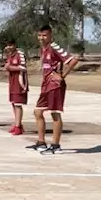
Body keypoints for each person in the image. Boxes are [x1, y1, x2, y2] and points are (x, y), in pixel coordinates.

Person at [33, 25, 79, 155]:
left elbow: (73, 60)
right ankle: (41, 142)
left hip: (55, 85)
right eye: (39, 35)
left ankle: (55, 145)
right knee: (37, 112)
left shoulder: (54, 47)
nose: (41, 38)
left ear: (50, 35)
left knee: (55, 114)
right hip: (46, 85)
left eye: (44, 35)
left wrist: (62, 75)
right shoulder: (44, 49)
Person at [4, 40, 29, 136]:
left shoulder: (20, 54)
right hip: (12, 82)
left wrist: (10, 67)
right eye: (8, 45)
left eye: (11, 45)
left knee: (18, 104)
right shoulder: (10, 55)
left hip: (20, 82)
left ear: (15, 45)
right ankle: (18, 124)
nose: (9, 47)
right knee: (13, 103)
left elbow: (23, 68)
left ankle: (18, 127)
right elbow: (7, 66)